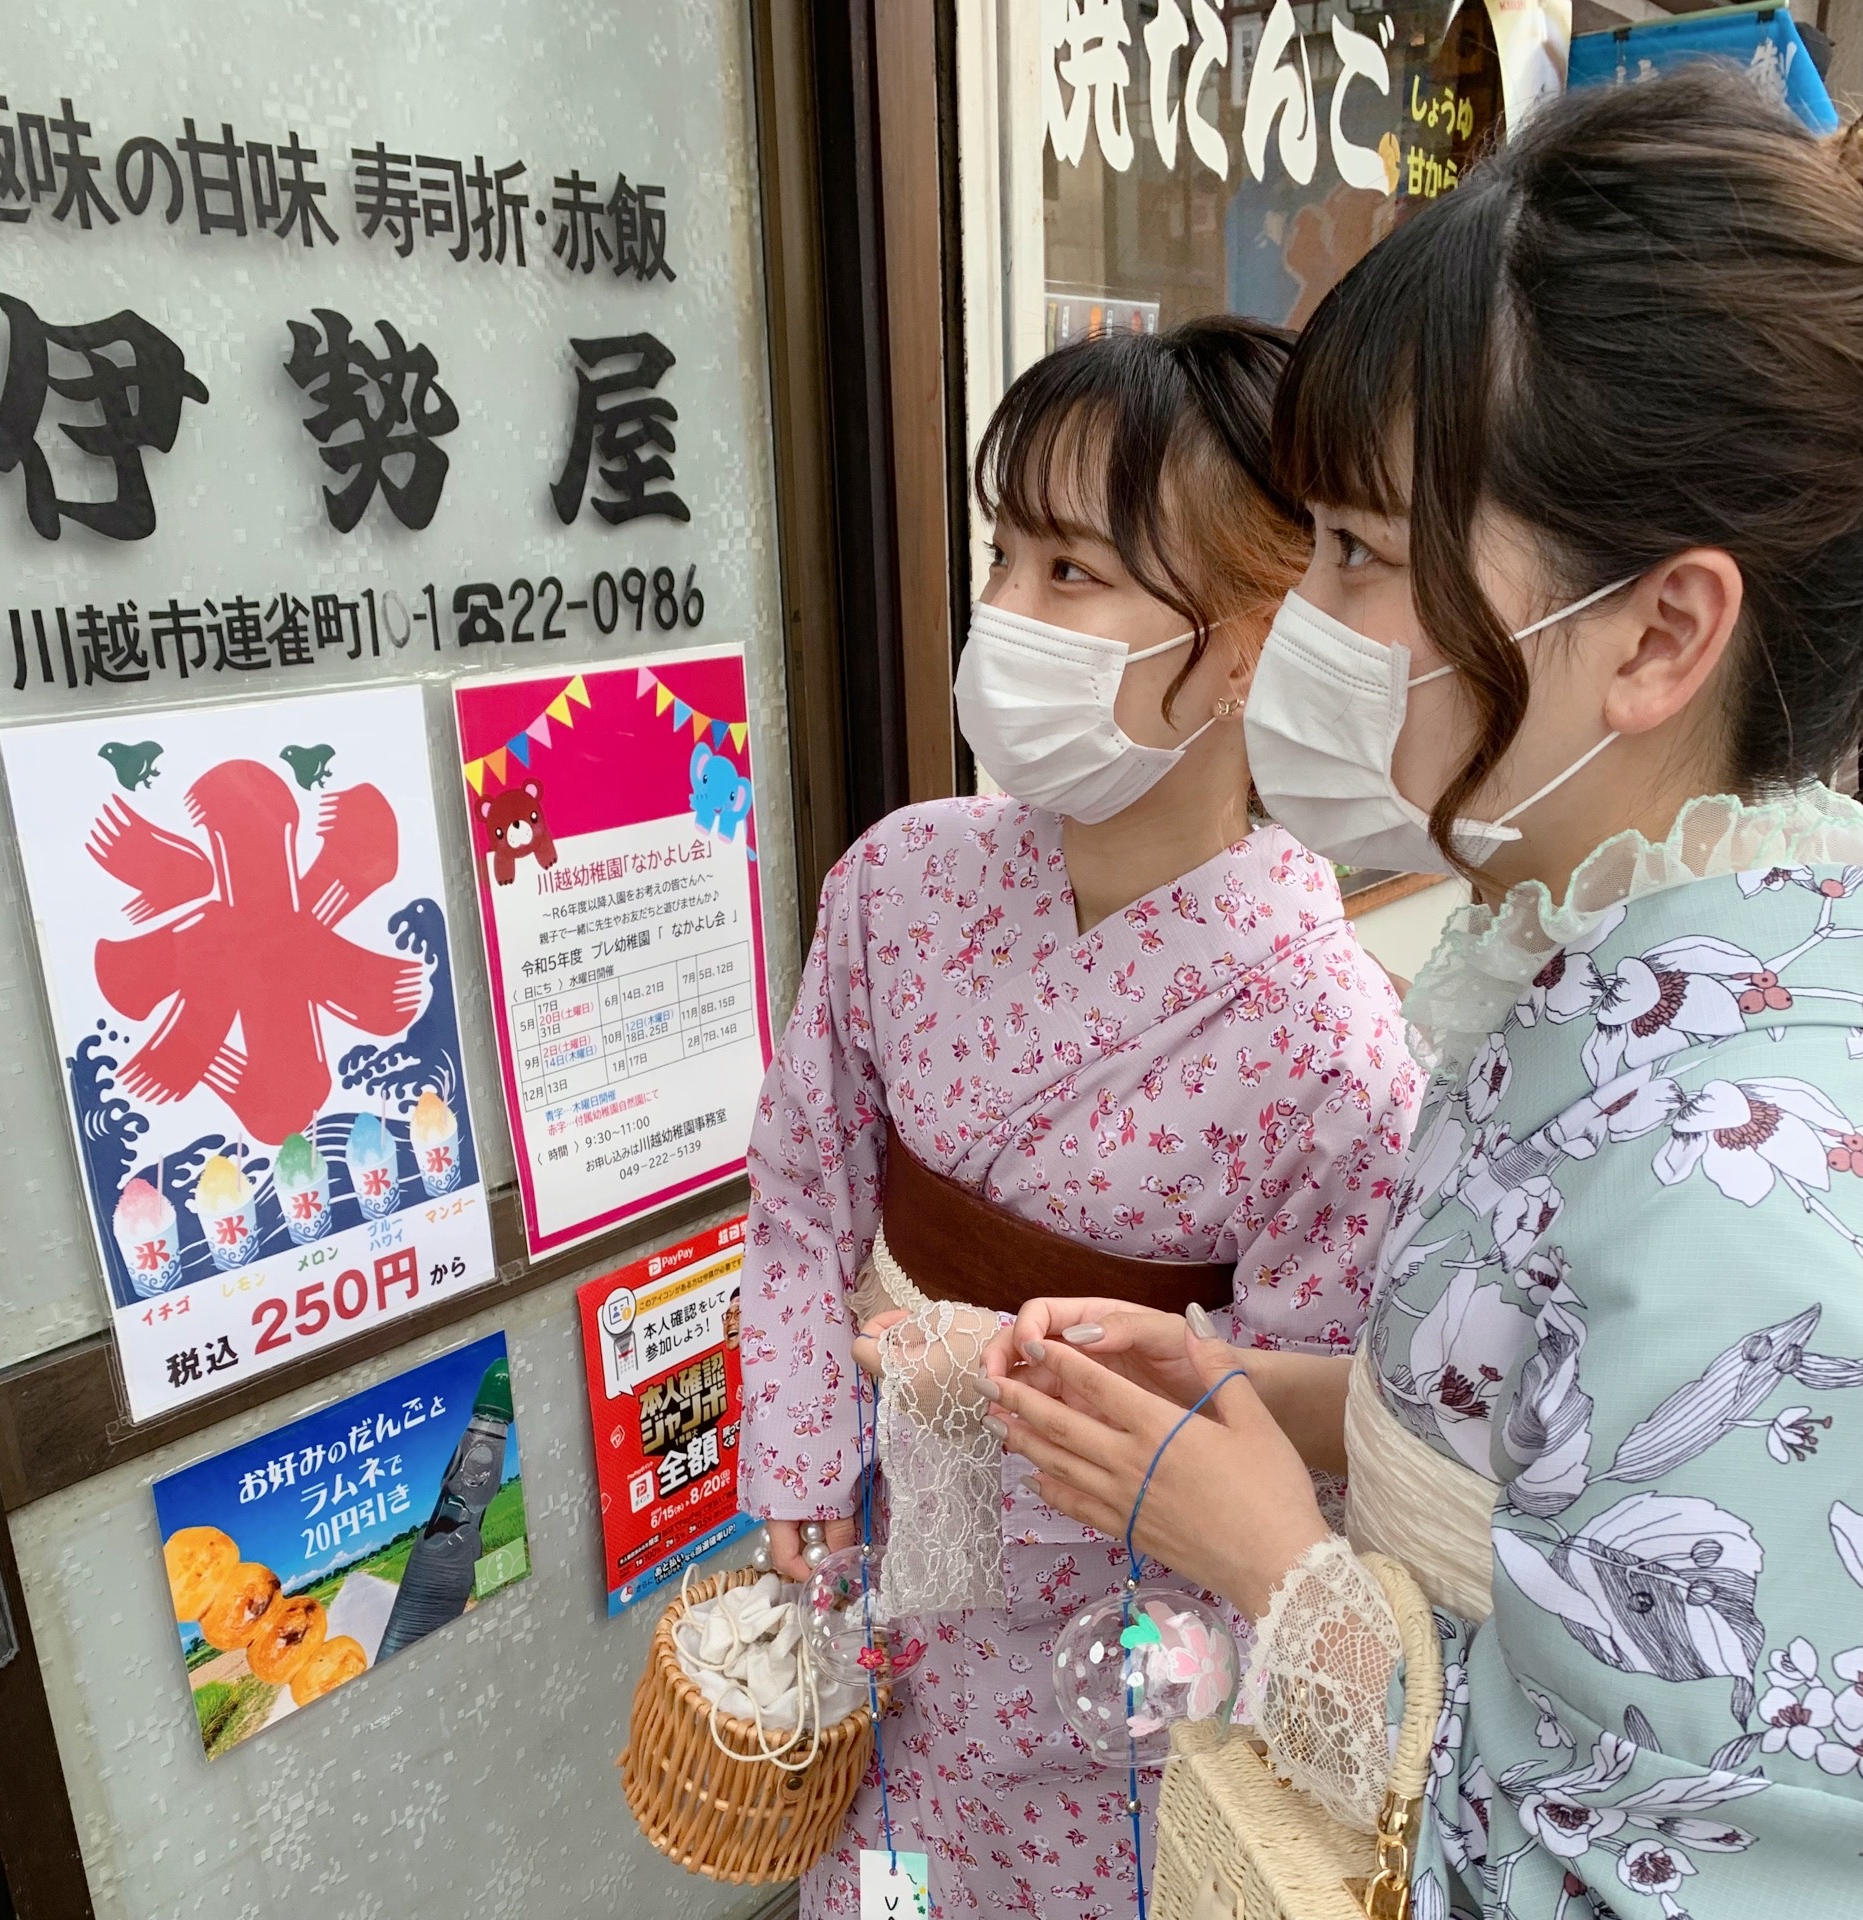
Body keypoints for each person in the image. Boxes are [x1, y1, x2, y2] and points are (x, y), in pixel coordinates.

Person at [981, 71, 1863, 1918]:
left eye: (1364, 555)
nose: (1303, 617)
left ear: (1659, 633)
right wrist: (1272, 1393)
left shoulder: (1734, 1190)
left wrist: (1276, 1562)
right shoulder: (1593, 956)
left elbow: (1630, 1870)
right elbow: (1545, 1444)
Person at [736, 319, 1423, 1917]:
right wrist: (800, 1469)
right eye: (1005, 556)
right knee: (881, 1885)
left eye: (1072, 574)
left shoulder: (1331, 1049)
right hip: (883, 1570)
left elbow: (1286, 1455)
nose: (1007, 617)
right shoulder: (902, 884)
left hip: (1112, 1664)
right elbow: (800, 1201)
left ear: (1248, 642)